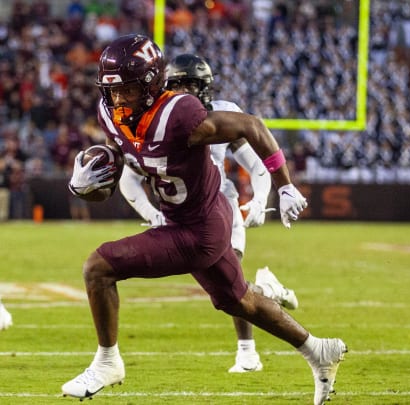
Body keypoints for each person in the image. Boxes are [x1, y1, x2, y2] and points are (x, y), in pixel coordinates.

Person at [64, 34, 346, 404]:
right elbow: (119, 166)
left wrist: (284, 185)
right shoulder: (111, 115)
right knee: (238, 300)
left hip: (196, 230)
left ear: (150, 84)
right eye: (112, 91)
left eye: (128, 91)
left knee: (98, 268)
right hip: (192, 217)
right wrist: (85, 183)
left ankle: (107, 361)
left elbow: (252, 126)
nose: (118, 100)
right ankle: (318, 350)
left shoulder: (179, 114)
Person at [119, 53, 298, 373]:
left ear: (206, 88)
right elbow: (128, 178)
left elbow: (256, 163)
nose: (186, 92)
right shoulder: (154, 120)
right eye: (180, 85)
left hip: (220, 203)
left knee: (232, 279)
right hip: (180, 212)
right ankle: (268, 291)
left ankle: (247, 352)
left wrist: (260, 199)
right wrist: (152, 213)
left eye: (193, 85)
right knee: (229, 288)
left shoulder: (223, 115)